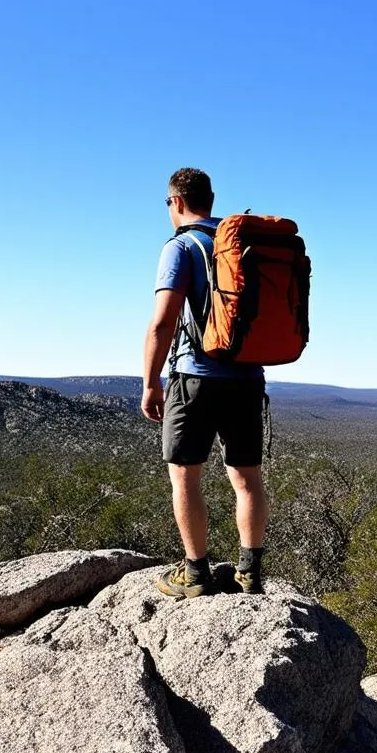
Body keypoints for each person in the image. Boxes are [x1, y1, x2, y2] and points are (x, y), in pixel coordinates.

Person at [141, 168, 269, 598]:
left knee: (185, 477)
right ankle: (250, 573)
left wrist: (150, 382)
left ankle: (195, 573)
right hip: (248, 378)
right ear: (211, 199)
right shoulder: (242, 244)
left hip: (195, 377)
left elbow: (163, 322)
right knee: (247, 479)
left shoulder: (182, 247)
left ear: (175, 202)